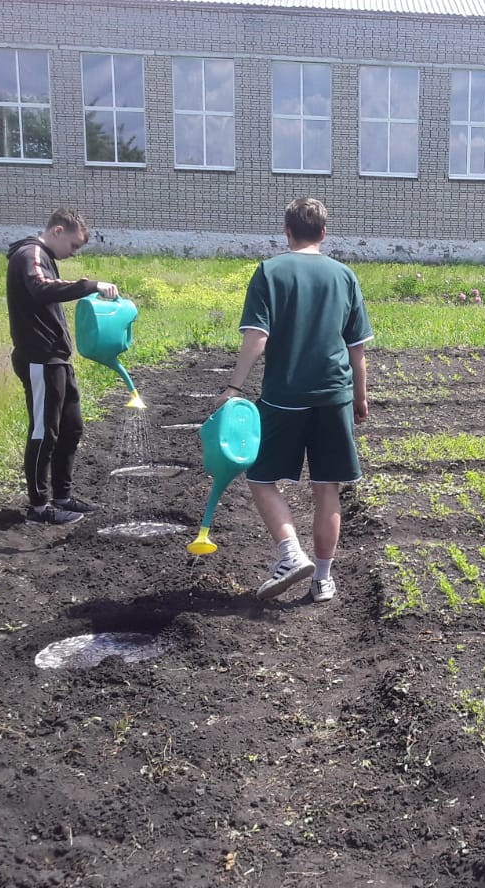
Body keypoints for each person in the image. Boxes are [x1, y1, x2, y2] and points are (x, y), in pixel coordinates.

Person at [214, 198, 372, 603]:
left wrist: (233, 388)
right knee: (327, 487)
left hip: (284, 397)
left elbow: (257, 337)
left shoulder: (270, 271)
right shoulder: (344, 275)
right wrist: (359, 398)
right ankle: (322, 579)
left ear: (286, 231)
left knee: (260, 477)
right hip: (334, 394)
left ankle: (289, 553)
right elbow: (357, 350)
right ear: (323, 233)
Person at [7, 208, 119, 525]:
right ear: (58, 231)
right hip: (39, 358)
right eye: (73, 245)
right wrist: (89, 285)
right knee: (45, 431)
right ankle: (40, 507)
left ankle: (62, 496)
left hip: (57, 358)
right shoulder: (29, 253)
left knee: (72, 427)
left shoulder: (43, 255)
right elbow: (41, 288)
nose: (72, 253)